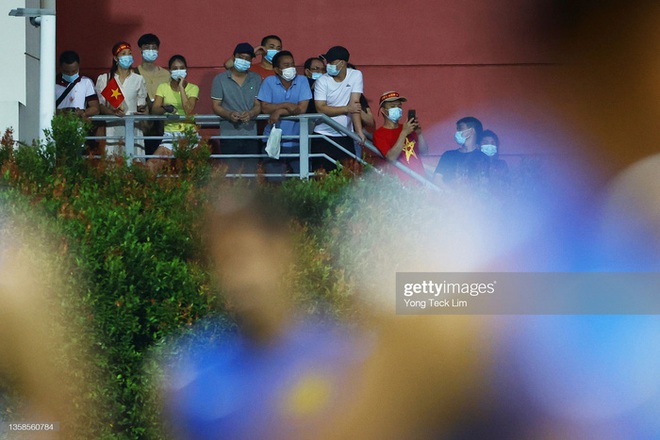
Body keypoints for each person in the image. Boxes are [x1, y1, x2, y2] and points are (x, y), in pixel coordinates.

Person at [257, 50, 312, 178]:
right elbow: (265, 108)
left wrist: (279, 111)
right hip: (273, 140)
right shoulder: (269, 82)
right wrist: (287, 105)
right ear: (276, 69)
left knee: (301, 180)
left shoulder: (303, 81)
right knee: (273, 181)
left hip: (298, 140)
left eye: (292, 64)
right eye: (286, 65)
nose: (291, 68)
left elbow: (301, 109)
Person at [211, 42, 262, 175]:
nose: (244, 61)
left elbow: (258, 105)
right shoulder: (220, 79)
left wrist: (251, 114)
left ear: (251, 61)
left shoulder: (256, 79)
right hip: (228, 135)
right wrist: (229, 114)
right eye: (241, 57)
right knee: (231, 174)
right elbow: (216, 106)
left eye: (247, 58)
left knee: (251, 175)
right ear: (233, 57)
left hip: (251, 135)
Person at [312, 46, 365, 172]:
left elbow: (355, 104)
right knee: (322, 177)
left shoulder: (356, 75)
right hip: (322, 135)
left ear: (342, 63)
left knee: (347, 175)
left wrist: (358, 132)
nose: (327, 65)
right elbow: (320, 108)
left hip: (345, 135)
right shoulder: (322, 81)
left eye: (331, 62)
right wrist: (347, 108)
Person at [148, 55, 200, 173]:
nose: (178, 71)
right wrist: (165, 108)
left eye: (181, 68)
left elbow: (188, 110)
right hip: (170, 134)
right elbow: (155, 110)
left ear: (186, 70)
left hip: (189, 134)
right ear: (170, 71)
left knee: (192, 170)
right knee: (151, 166)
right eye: (175, 68)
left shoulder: (193, 88)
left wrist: (181, 87)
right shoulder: (163, 87)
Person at [96, 41, 148, 157]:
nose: (128, 57)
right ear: (115, 58)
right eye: (124, 54)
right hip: (112, 128)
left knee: (134, 161)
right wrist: (112, 112)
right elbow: (101, 106)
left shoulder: (138, 79)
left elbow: (141, 105)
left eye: (129, 53)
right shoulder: (105, 79)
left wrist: (143, 110)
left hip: (133, 128)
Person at [373, 91, 428, 182]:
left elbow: (424, 151)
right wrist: (403, 133)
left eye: (399, 106)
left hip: (420, 180)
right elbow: (391, 157)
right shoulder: (379, 134)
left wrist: (419, 134)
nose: (397, 109)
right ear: (383, 111)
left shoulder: (407, 127)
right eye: (392, 106)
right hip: (400, 184)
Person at [135, 33, 171, 155]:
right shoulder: (133, 74)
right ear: (140, 49)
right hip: (140, 125)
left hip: (161, 125)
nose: (151, 51)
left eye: (154, 47)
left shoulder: (166, 75)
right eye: (147, 47)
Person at [433, 116, 488, 185]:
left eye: (460, 129)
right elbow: (437, 179)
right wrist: (451, 193)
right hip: (449, 195)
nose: (457, 132)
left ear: (471, 131)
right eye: (457, 129)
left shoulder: (484, 158)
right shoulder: (448, 156)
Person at [56, 50, 100, 119]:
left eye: (74, 71)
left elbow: (95, 108)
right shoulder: (52, 84)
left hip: (79, 126)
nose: (70, 74)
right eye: (66, 72)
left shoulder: (86, 82)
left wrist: (82, 112)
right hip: (58, 125)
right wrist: (62, 112)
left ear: (78, 67)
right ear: (60, 68)